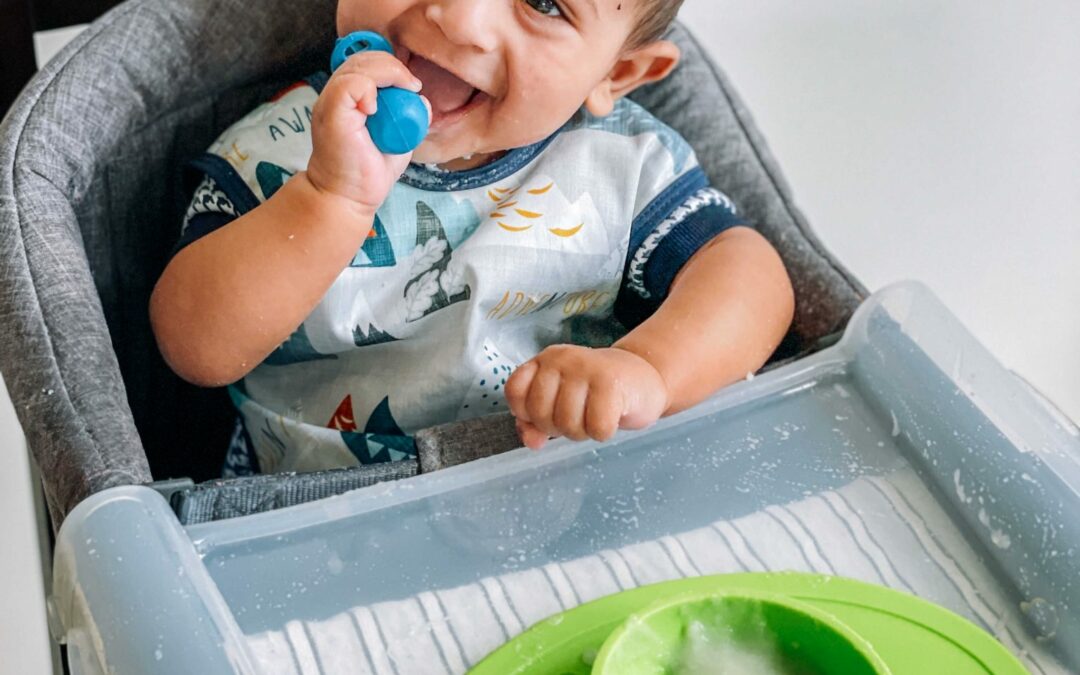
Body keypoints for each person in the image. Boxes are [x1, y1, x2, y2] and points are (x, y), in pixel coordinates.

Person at [150, 0, 795, 476]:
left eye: (544, 4)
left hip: (556, 482)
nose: (459, 17)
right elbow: (193, 345)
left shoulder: (620, 165)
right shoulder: (280, 151)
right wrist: (329, 199)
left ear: (617, 74)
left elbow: (747, 273)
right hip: (319, 509)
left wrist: (649, 368)